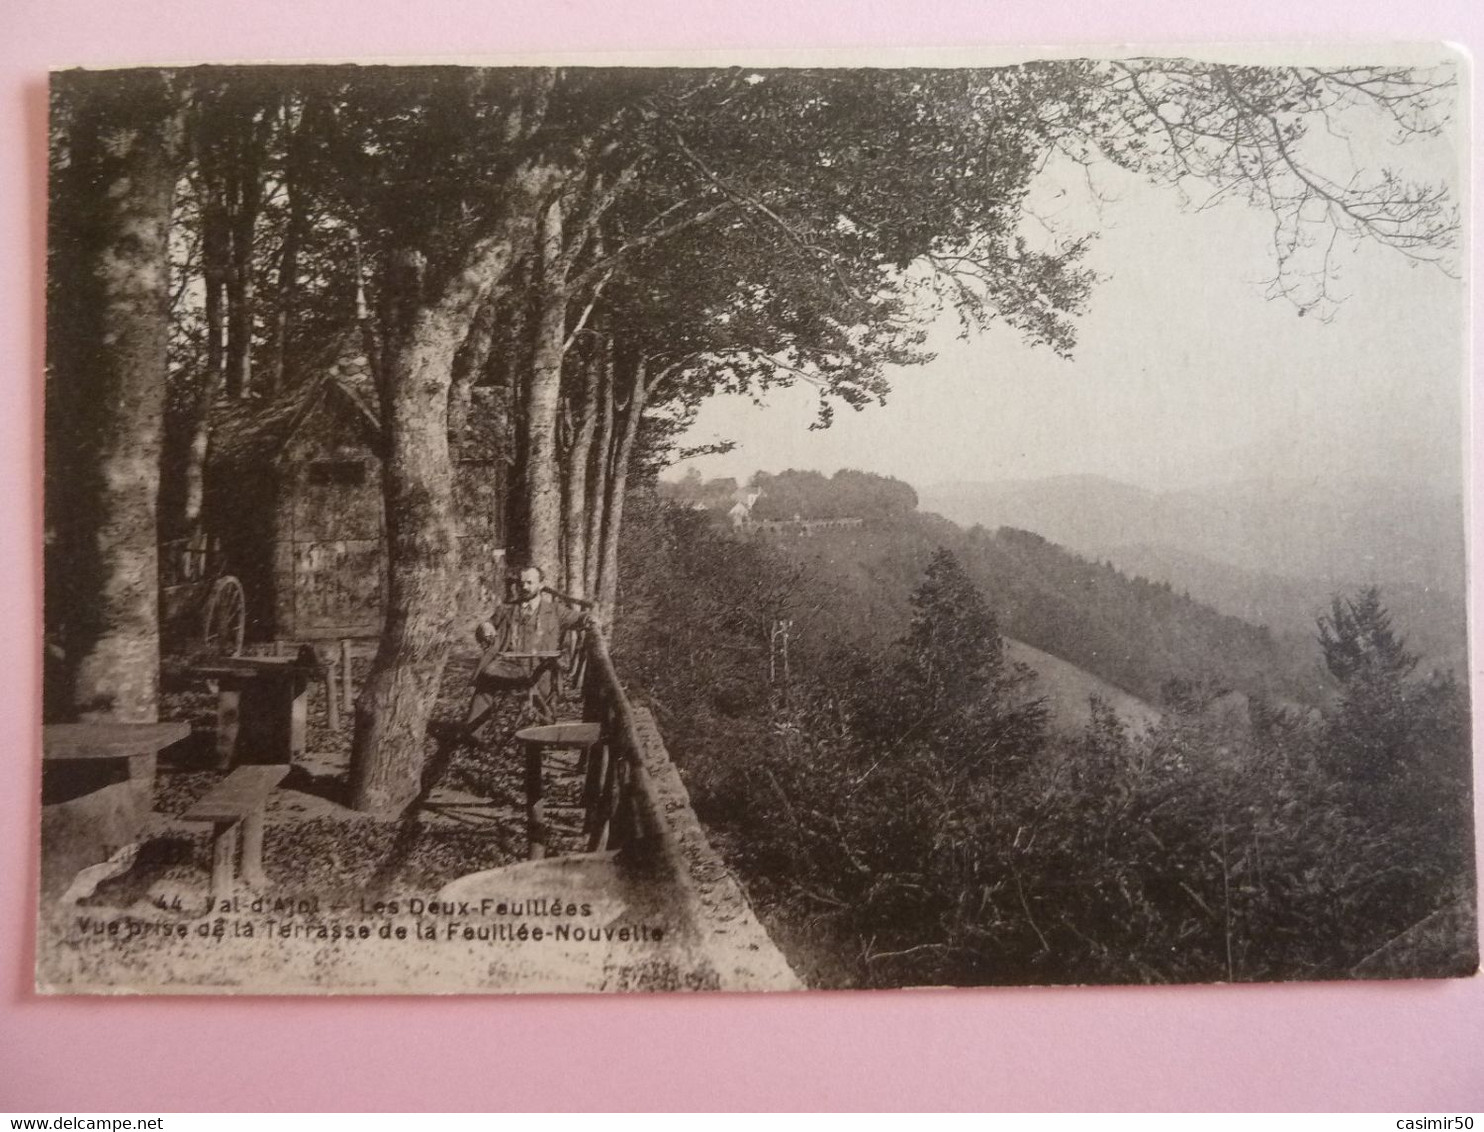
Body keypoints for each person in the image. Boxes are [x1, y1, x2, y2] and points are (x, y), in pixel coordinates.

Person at [462, 564, 592, 739]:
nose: (524, 587)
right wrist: (485, 627)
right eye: (521, 583)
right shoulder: (507, 609)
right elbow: (488, 624)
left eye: (530, 583)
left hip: (540, 669)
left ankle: (543, 737)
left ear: (540, 584)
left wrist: (588, 618)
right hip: (509, 668)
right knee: (485, 685)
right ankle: (472, 736)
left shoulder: (554, 610)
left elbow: (577, 618)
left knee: (544, 704)